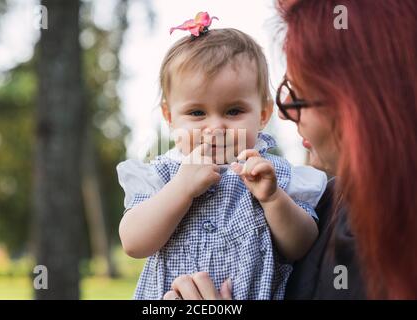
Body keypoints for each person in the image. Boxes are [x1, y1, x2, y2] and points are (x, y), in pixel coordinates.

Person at [163, 1, 417, 300]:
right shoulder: (331, 203)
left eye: (301, 96)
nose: (284, 115)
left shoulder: (287, 189)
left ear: (367, 101)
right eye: (196, 113)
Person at [117, 12, 327, 300]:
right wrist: (181, 188)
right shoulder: (163, 175)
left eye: (233, 111)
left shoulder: (272, 174)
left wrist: (273, 199)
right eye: (197, 113)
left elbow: (301, 246)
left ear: (263, 114)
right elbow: (133, 242)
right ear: (169, 116)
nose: (215, 127)